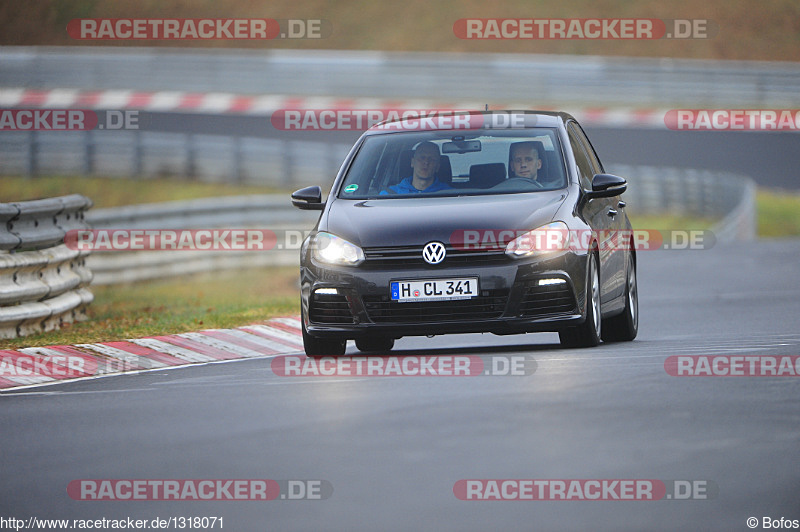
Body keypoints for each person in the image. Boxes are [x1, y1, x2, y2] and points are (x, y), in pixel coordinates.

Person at [383, 141, 452, 194]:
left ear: (438, 167)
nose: (426, 162)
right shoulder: (390, 193)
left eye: (432, 159)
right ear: (412, 162)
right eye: (422, 157)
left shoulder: (450, 195)